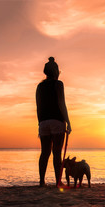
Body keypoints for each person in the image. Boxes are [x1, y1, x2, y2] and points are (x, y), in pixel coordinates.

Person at [36, 57, 72, 187]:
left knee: (44, 153)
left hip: (43, 122)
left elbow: (38, 106)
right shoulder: (58, 84)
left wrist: (40, 123)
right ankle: (58, 182)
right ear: (56, 72)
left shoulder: (40, 86)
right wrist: (68, 121)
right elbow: (61, 103)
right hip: (57, 121)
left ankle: (41, 181)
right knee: (57, 153)